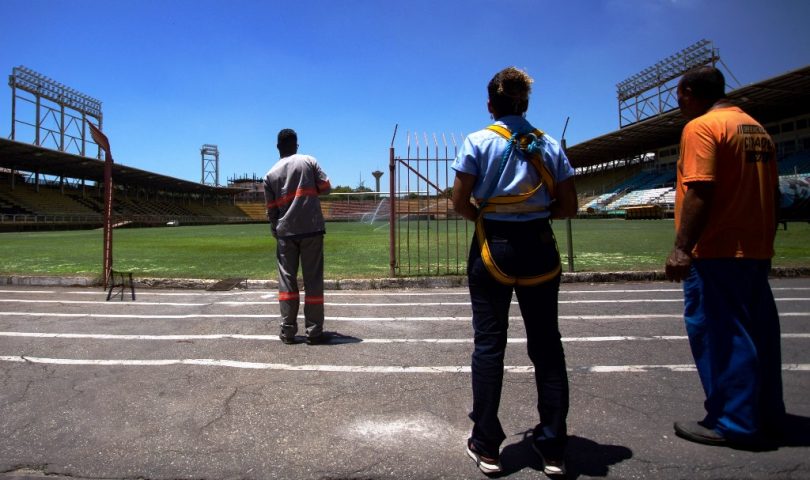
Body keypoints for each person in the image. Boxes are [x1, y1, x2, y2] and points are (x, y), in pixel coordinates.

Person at [451, 66, 578, 475]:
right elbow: (569, 205)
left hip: (494, 246)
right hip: (539, 246)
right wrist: (535, 213)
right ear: (525, 103)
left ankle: (487, 445)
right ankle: (553, 446)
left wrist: (487, 216)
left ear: (490, 104)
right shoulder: (549, 144)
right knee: (547, 344)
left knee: (490, 344)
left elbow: (459, 202)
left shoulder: (478, 141)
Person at [665, 66, 785, 447]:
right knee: (760, 334)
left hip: (717, 250)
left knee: (723, 336)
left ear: (688, 92)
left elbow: (701, 188)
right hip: (755, 248)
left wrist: (682, 247)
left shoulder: (701, 127)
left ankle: (734, 421)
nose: (679, 103)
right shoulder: (755, 128)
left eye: (679, 96)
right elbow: (773, 192)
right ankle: (767, 413)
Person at [264, 128, 332, 345]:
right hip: (312, 229)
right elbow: (326, 187)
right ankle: (314, 331)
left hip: (286, 233)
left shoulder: (270, 175)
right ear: (296, 145)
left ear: (278, 147)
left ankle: (288, 331)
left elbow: (271, 210)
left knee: (287, 282)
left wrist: (276, 229)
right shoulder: (309, 161)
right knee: (313, 282)